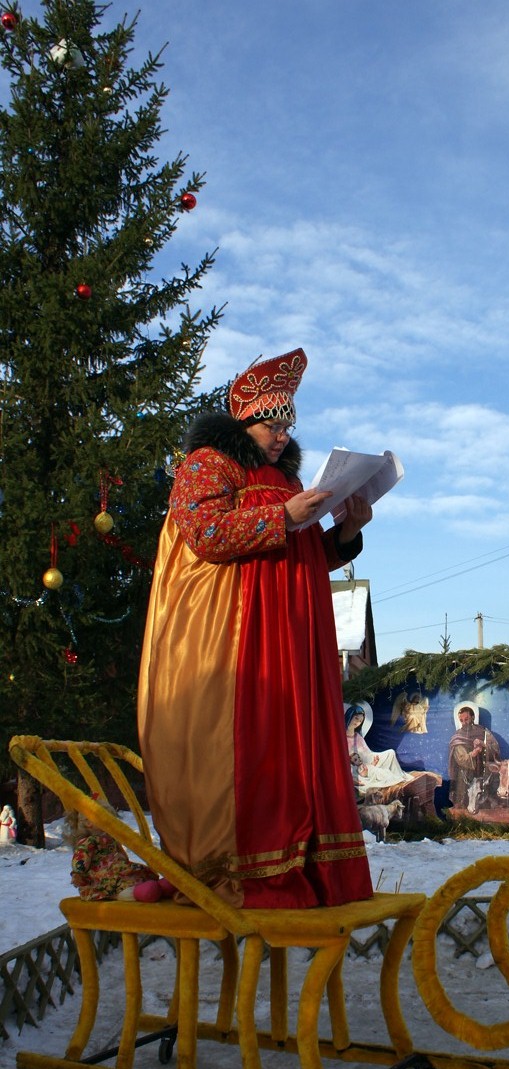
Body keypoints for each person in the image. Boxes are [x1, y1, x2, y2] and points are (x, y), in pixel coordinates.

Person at [138, 347, 374, 909]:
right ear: (245, 421)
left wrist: (345, 532)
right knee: (252, 743)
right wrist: (281, 517)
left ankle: (310, 872)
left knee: (296, 745)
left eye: (288, 426)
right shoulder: (208, 464)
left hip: (293, 634)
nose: (282, 436)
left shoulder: (285, 477)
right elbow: (205, 534)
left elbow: (299, 557)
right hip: (239, 632)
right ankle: (244, 874)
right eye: (273, 425)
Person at [344, 704, 414, 796]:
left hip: (365, 763)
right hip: (353, 769)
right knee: (374, 774)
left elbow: (368, 754)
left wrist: (374, 760)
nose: (357, 722)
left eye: (360, 721)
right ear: (349, 716)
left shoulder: (358, 737)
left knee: (390, 753)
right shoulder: (341, 738)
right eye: (356, 718)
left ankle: (398, 776)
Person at [448, 705, 502, 813]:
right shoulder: (457, 736)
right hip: (465, 774)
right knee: (464, 802)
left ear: (473, 717)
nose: (464, 722)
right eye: (461, 720)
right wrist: (474, 753)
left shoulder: (483, 732)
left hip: (484, 771)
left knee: (487, 796)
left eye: (466, 719)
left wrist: (483, 744)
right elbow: (460, 758)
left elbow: (495, 749)